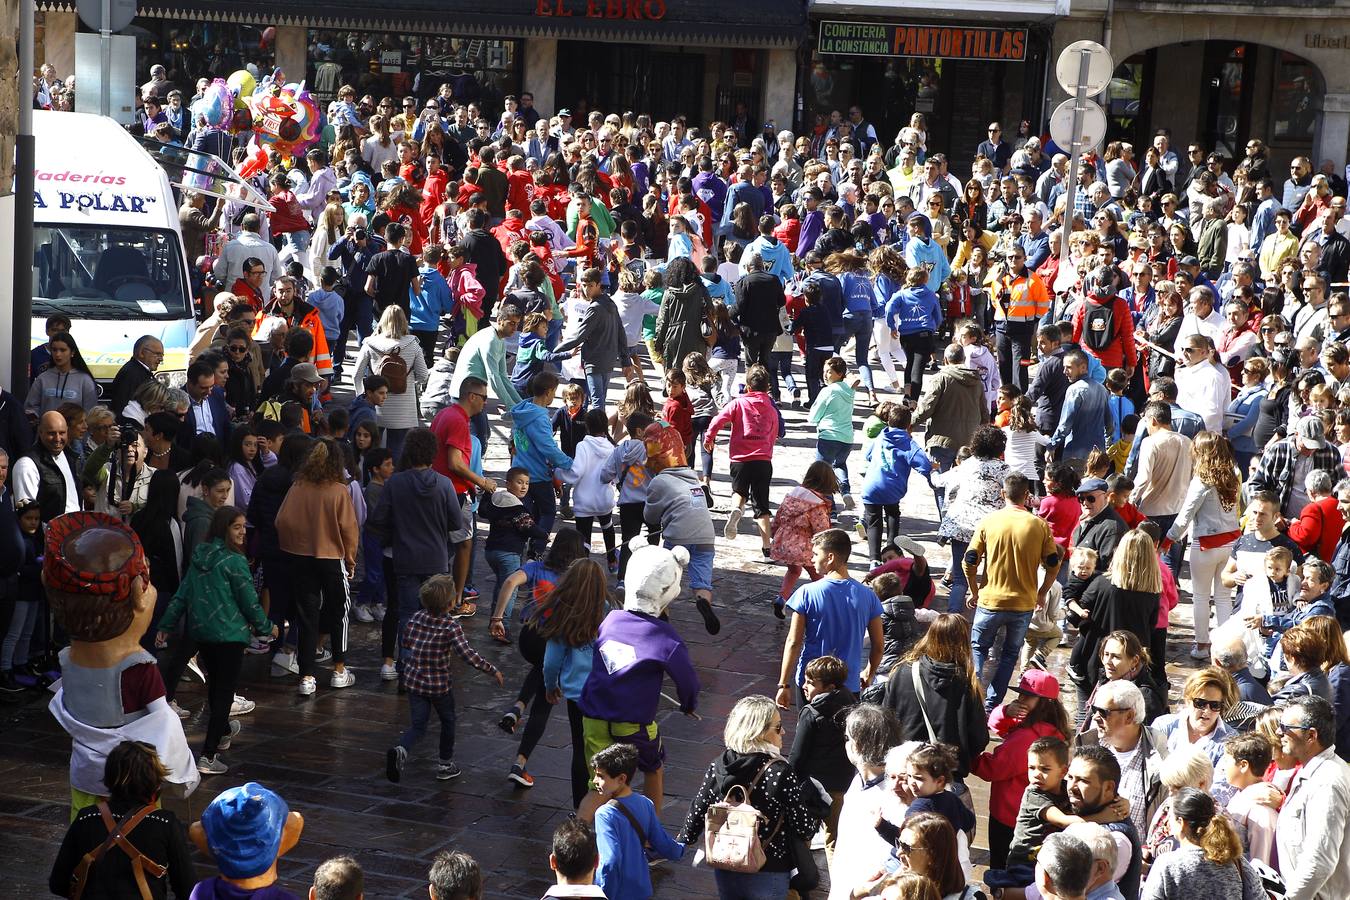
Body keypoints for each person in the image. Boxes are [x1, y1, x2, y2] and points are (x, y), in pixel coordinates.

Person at [676, 695, 824, 900]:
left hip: (726, 863)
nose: (784, 731)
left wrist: (684, 840)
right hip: (769, 867)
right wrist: (817, 809)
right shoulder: (779, 772)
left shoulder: (719, 765)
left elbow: (698, 810)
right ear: (759, 732)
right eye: (778, 726)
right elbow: (804, 827)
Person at [386, 573, 502, 784]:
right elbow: (468, 655)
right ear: (450, 604)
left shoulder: (416, 618)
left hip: (414, 682)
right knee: (448, 722)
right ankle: (445, 764)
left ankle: (401, 748)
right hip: (439, 686)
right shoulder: (451, 627)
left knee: (418, 725)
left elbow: (406, 643)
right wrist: (491, 669)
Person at [963, 473, 1063, 709]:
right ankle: (992, 705)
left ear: (1002, 494)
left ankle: (974, 698)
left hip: (990, 600)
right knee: (1009, 656)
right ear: (1027, 496)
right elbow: (1053, 564)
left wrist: (974, 590)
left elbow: (969, 560)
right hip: (1023, 604)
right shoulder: (1038, 525)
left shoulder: (990, 521)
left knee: (978, 649)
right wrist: (1042, 591)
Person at [48, 741, 195, 900]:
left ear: (109, 778)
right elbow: (188, 890)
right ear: (155, 783)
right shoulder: (166, 823)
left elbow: (58, 883)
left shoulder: (86, 817)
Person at [275, 437, 360, 696]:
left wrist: (296, 545)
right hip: (331, 558)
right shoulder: (338, 491)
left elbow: (282, 521)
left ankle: (306, 676)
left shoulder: (298, 486)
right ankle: (339, 669)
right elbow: (349, 529)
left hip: (300, 557)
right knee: (339, 613)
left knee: (306, 616)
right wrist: (351, 559)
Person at [774, 528, 884, 709]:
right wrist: (869, 673)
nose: (812, 559)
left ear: (830, 557)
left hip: (810, 683)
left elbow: (793, 642)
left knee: (808, 731)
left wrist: (783, 684)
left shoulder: (806, 593)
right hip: (849, 684)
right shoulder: (869, 596)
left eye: (816, 554)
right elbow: (879, 646)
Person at [884, 614, 991, 780]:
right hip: (944, 775)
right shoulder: (965, 684)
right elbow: (979, 737)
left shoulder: (902, 672)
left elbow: (886, 721)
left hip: (905, 771)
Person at [706, 364, 784, 556]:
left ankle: (736, 509)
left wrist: (710, 437)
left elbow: (718, 420)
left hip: (740, 459)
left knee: (739, 491)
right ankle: (767, 548)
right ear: (767, 388)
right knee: (762, 506)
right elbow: (775, 432)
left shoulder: (738, 403)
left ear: (748, 387)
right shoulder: (771, 408)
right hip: (763, 461)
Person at [591, 742, 685, 898]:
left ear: (621, 778)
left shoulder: (604, 814)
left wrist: (602, 893)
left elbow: (609, 861)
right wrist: (681, 848)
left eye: (601, 776)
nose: (595, 780)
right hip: (641, 889)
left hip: (618, 893)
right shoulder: (645, 803)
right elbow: (662, 843)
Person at [1139, 786, 1264, 899]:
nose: (1167, 822)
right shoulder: (1236, 861)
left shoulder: (1166, 865)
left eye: (1170, 817)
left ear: (1181, 823)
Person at [1064, 746, 1144, 898]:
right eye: (1070, 777)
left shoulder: (1115, 840)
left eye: (1083, 780)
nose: (1072, 787)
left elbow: (1067, 889)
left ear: (1108, 788)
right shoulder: (1083, 804)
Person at [353, 306, 429, 464]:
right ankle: (393, 482)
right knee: (397, 450)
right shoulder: (413, 344)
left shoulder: (370, 343)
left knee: (371, 447)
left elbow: (357, 375)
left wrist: (362, 397)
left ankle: (372, 480)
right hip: (404, 408)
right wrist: (407, 381)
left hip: (375, 405)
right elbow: (423, 375)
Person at [1152, 668, 1238, 767]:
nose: (1207, 711)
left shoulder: (1231, 741)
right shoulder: (1163, 726)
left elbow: (1222, 781)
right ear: (1187, 700)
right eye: (1200, 703)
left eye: (1215, 705)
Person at [25, 332, 98, 417]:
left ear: (72, 352)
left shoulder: (85, 380)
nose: (58, 354)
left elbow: (91, 413)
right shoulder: (43, 378)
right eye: (54, 350)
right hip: (48, 428)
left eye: (62, 350)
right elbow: (31, 407)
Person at [107, 337, 165, 416]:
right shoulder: (131, 374)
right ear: (141, 353)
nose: (161, 359)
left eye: (162, 355)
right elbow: (122, 407)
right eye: (157, 354)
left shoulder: (138, 371)